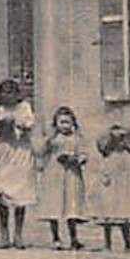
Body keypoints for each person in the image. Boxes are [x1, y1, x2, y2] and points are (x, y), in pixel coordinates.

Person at [0, 78, 36, 249]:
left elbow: (30, 123)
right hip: (1, 151)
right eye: (4, 92)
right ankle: (4, 233)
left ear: (17, 94)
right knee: (2, 193)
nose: (7, 95)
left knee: (20, 193)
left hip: (19, 151)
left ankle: (18, 233)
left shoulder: (24, 107)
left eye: (11, 92)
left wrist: (19, 125)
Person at [89, 122, 130, 252]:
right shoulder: (109, 158)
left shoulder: (128, 157)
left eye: (122, 139)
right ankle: (107, 244)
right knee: (107, 214)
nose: (120, 143)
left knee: (125, 215)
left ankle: (127, 244)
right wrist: (104, 177)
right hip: (110, 187)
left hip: (124, 188)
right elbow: (104, 169)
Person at [38, 106, 88, 250]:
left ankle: (74, 238)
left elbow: (84, 153)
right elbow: (41, 152)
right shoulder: (53, 138)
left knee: (71, 206)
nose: (65, 126)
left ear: (73, 123)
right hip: (54, 174)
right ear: (56, 124)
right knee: (55, 205)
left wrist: (79, 159)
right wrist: (47, 141)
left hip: (72, 174)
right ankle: (56, 238)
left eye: (68, 122)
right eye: (61, 122)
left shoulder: (77, 138)